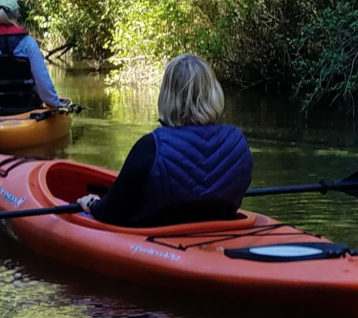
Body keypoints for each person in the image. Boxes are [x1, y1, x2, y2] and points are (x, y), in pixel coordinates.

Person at [76, 53, 253, 226]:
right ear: (214, 93)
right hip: (221, 233)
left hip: (158, 235)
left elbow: (110, 213)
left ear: (167, 95)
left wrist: (93, 203)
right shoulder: (238, 143)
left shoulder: (151, 147)